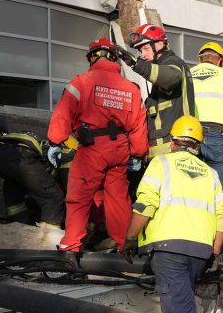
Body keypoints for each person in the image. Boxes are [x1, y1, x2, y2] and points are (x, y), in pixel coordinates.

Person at [122, 116, 223, 313]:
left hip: (169, 249)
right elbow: (222, 216)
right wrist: (215, 252)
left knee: (181, 312)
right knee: (177, 303)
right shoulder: (210, 173)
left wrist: (130, 238)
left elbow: (145, 203)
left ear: (172, 141)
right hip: (200, 251)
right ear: (198, 146)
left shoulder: (161, 163)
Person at [47, 38, 148, 252]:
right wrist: (138, 154)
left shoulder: (82, 81)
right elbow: (139, 127)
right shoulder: (132, 89)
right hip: (120, 150)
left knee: (78, 197)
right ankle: (125, 247)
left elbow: (63, 115)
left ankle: (71, 247)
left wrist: (56, 140)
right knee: (119, 200)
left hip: (92, 148)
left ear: (93, 57)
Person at [116, 25, 195, 158]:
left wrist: (137, 65)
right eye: (141, 51)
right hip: (165, 152)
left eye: (146, 48)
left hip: (175, 150)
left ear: (159, 44)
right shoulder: (160, 67)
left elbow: (171, 78)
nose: (143, 55)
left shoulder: (174, 62)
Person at [189, 42, 223, 204]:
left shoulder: (188, 73)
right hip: (218, 135)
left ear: (200, 60)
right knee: (219, 188)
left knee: (194, 186)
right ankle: (222, 229)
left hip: (193, 134)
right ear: (220, 61)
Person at [0, 130, 65, 228]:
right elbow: (44, 179)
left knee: (13, 186)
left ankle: (18, 226)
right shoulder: (53, 152)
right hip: (22, 156)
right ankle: (48, 236)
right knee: (53, 198)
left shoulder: (35, 140)